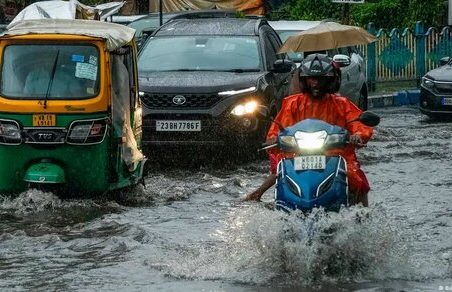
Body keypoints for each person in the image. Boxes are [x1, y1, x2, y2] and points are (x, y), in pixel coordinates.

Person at [244, 53, 373, 207]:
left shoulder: (341, 104)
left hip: (335, 154)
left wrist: (357, 135)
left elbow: (358, 123)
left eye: (320, 79)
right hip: (297, 152)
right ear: (304, 80)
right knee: (281, 171)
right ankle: (262, 197)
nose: (315, 83)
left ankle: (363, 216)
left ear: (330, 79)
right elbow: (278, 127)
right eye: (311, 78)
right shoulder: (292, 104)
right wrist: (273, 138)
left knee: (356, 178)